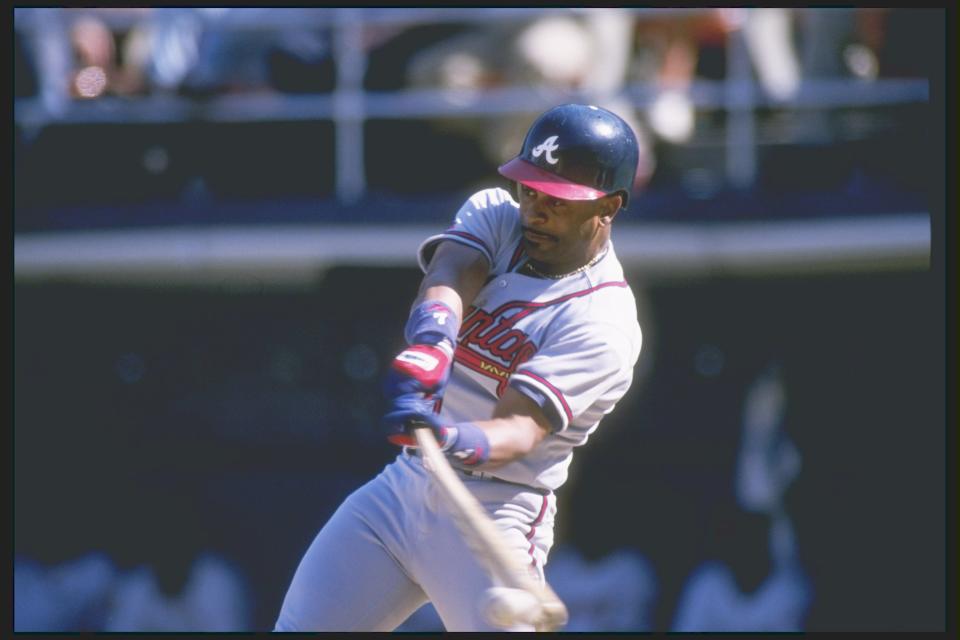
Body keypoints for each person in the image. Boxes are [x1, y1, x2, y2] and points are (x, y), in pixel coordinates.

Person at [274, 103, 644, 632]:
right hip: (404, 493)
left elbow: (520, 428)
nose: (535, 209)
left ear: (608, 206)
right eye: (531, 189)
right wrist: (431, 346)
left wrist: (450, 435)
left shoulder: (603, 320)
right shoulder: (499, 212)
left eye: (557, 200)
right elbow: (451, 272)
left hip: (495, 510)